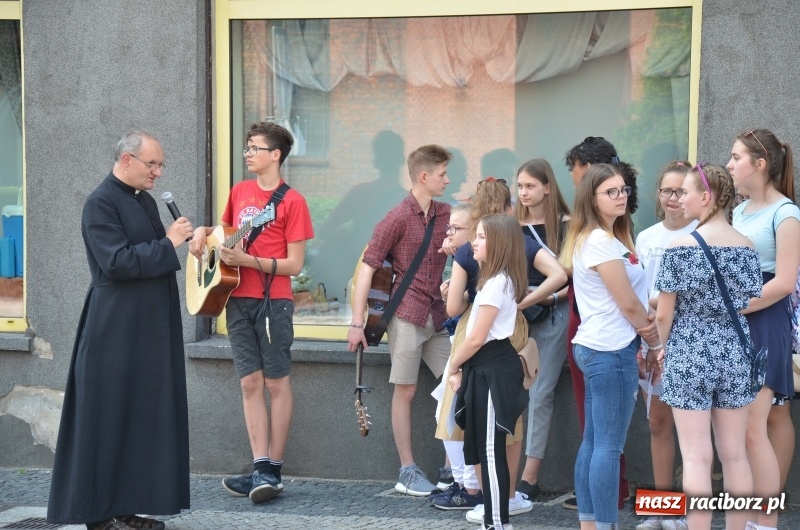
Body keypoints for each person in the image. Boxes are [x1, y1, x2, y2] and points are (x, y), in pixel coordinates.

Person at [47, 131, 194, 530]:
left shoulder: (142, 200)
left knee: (138, 416)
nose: (158, 173)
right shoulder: (99, 203)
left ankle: (126, 507)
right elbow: (117, 263)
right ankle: (97, 516)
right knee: (107, 417)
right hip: (113, 330)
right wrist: (169, 242)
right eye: (153, 164)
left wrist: (185, 244)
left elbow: (150, 253)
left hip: (146, 330)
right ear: (127, 160)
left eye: (161, 165)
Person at [190, 122, 314, 504]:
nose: (247, 153)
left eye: (254, 148)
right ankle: (260, 465)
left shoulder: (292, 202)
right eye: (246, 147)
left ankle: (271, 469)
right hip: (234, 298)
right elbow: (224, 235)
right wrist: (200, 233)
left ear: (275, 154)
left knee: (276, 384)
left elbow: (295, 265)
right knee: (249, 384)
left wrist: (250, 260)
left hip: (273, 302)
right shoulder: (240, 192)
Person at [654, 164, 762, 530]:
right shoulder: (747, 247)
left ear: (706, 197)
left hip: (688, 352)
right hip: (734, 352)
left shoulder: (680, 247)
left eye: (685, 192)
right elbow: (745, 302)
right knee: (735, 456)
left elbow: (665, 314)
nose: (679, 199)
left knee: (697, 457)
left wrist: (659, 347)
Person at [347, 144, 452, 496]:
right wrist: (357, 322)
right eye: (442, 174)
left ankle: (454, 468)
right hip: (406, 314)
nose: (447, 180)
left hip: (439, 314)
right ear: (424, 176)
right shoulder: (396, 217)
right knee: (405, 390)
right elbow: (368, 265)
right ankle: (407, 471)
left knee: (457, 384)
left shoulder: (448, 215)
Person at [560, 163, 659, 530]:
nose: (621, 197)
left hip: (600, 346)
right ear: (592, 197)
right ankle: (604, 525)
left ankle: (592, 524)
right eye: (611, 192)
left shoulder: (608, 237)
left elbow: (635, 298)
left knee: (594, 442)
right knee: (607, 447)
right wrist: (655, 342)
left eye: (624, 190)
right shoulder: (600, 241)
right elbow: (629, 305)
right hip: (609, 350)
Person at [728, 128, 800, 530]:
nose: (729, 164)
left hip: (763, 324)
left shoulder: (786, 213)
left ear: (760, 164)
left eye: (736, 157)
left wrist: (734, 306)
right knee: (742, 429)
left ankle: (765, 521)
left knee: (754, 428)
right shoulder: (739, 211)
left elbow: (784, 281)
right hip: (737, 324)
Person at [449, 213, 531, 530]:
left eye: (481, 236)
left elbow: (476, 337)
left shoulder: (497, 282)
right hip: (489, 367)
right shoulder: (495, 280)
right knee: (488, 449)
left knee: (490, 451)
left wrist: (454, 364)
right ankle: (494, 521)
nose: (474, 242)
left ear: (498, 243)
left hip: (492, 369)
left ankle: (497, 523)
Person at [633, 161, 696, 530]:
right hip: (650, 340)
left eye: (680, 191)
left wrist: (658, 307)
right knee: (657, 423)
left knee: (690, 430)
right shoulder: (646, 237)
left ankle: (685, 512)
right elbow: (640, 295)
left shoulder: (701, 233)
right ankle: (663, 510)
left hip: (686, 341)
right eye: (667, 191)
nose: (673, 198)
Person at [513, 158, 571, 500]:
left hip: (553, 314)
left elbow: (573, 277)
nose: (523, 193)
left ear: (547, 187)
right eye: (520, 186)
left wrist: (545, 299)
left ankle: (530, 476)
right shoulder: (511, 225)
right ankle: (504, 468)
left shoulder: (566, 225)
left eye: (530, 186)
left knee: (540, 392)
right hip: (516, 318)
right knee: (512, 391)